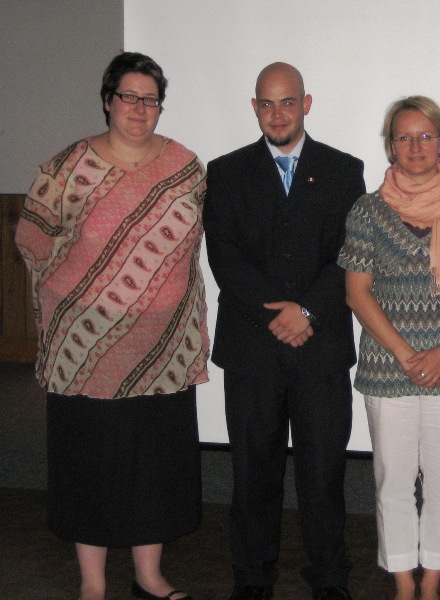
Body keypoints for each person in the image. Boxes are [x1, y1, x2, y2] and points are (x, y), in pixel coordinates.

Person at [14, 52, 209, 600]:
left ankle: (149, 576)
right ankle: (93, 583)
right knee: (90, 466)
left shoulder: (186, 168)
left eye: (151, 99)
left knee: (154, 468)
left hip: (163, 350)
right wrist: (74, 297)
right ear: (107, 101)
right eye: (129, 96)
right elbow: (32, 239)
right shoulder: (66, 168)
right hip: (85, 352)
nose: (140, 108)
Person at [203, 62, 366, 600]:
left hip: (321, 348)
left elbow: (351, 252)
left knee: (323, 474)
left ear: (306, 104)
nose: (277, 114)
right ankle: (252, 579)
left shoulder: (343, 170)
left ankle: (330, 578)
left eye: (288, 102)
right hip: (253, 346)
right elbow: (225, 258)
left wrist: (309, 311)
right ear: (255, 107)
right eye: (267, 104)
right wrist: (279, 314)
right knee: (254, 474)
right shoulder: (226, 172)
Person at [338, 96, 440, 600]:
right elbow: (357, 292)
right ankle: (402, 581)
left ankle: (431, 581)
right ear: (390, 146)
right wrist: (405, 353)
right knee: (391, 481)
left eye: (425, 135)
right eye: (404, 137)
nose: (415, 146)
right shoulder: (367, 210)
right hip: (387, 367)